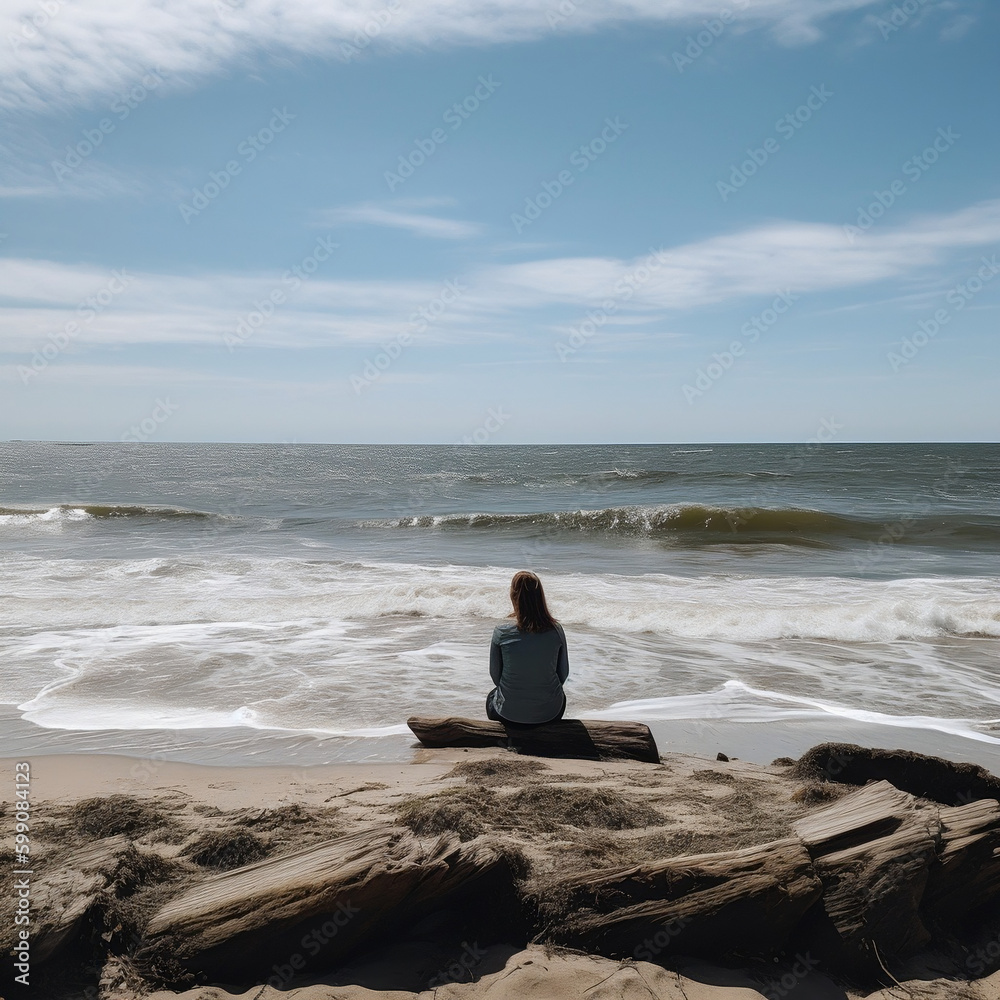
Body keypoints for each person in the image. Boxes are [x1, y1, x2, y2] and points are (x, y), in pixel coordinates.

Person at [486, 570, 568, 726]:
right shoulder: (557, 631)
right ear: (540, 598)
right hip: (551, 712)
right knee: (559, 696)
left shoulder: (501, 633)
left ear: (514, 597)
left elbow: (496, 677)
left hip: (509, 714)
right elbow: (563, 674)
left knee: (491, 697)